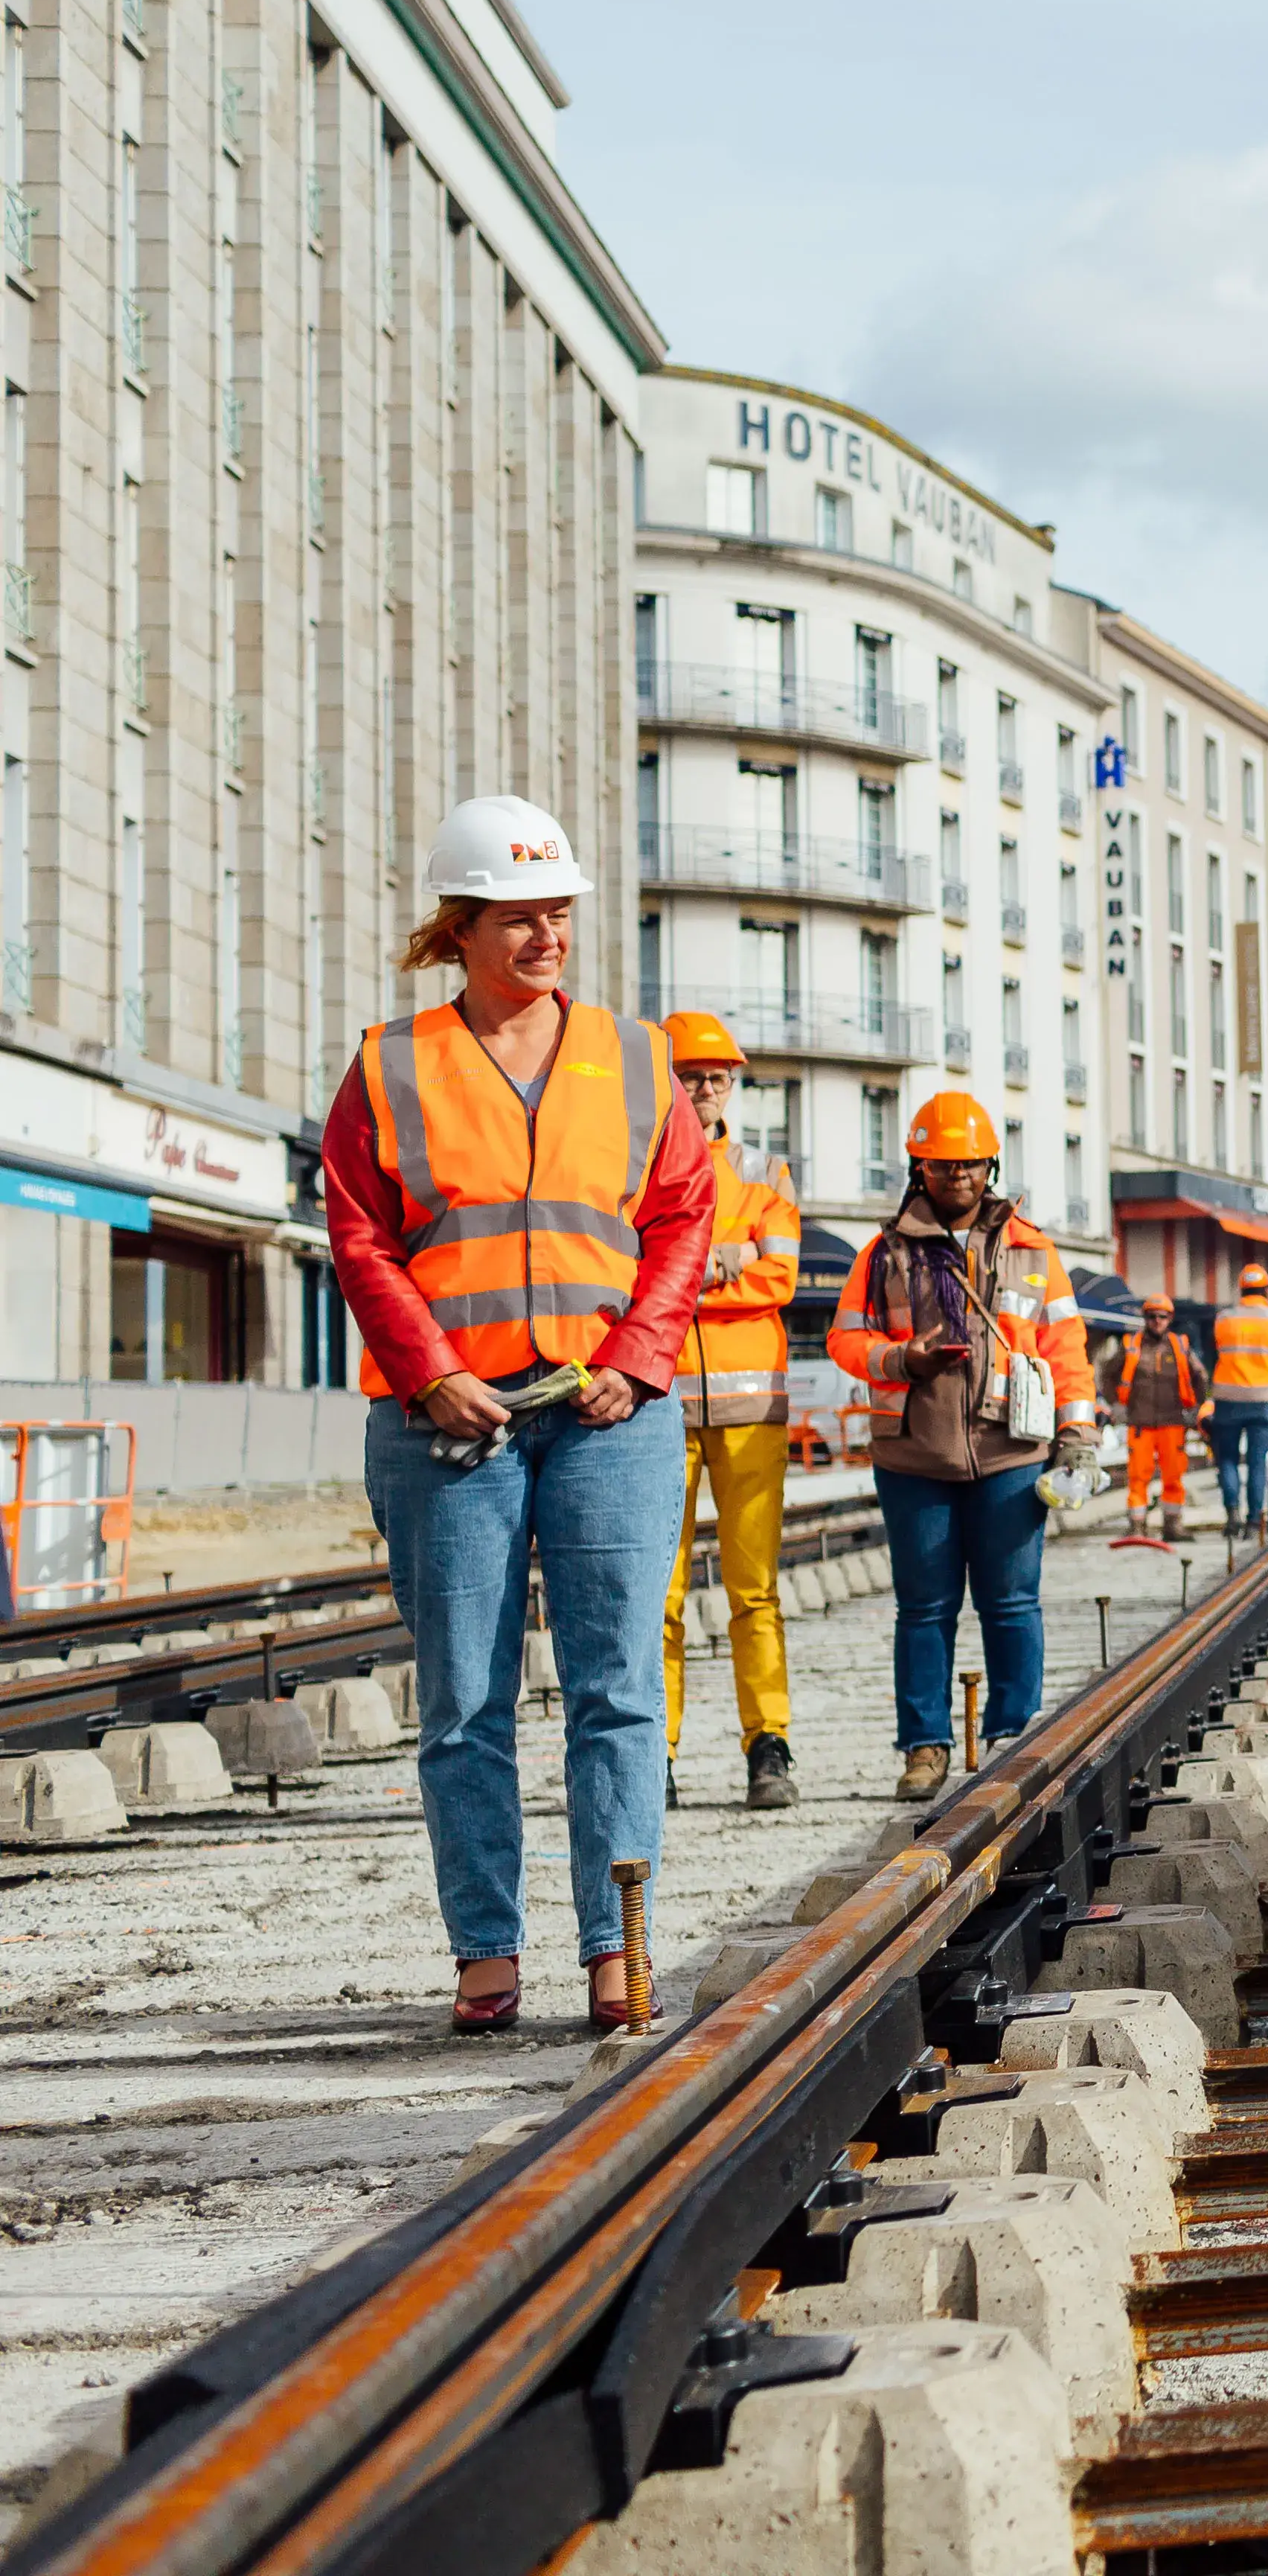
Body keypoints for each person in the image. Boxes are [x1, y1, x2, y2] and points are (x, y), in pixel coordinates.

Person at [324, 796, 714, 2034]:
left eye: (560, 912)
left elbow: (682, 1218)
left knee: (616, 1692)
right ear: (462, 927)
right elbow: (358, 1232)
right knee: (463, 1704)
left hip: (607, 1412)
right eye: (522, 916)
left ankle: (617, 1943)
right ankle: (486, 1948)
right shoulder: (394, 1062)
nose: (549, 935)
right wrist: (429, 1367)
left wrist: (642, 1357)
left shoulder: (638, 1057)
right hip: (453, 1423)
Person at [827, 1093, 1097, 1797]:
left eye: (970, 1165)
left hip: (1010, 1453)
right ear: (920, 1168)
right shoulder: (883, 1252)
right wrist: (902, 1360)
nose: (958, 1178)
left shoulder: (1034, 1249)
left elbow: (1066, 1346)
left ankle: (1016, 1733)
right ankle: (925, 1747)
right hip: (915, 1456)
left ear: (990, 1166)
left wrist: (1079, 1435)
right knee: (923, 1608)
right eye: (943, 1166)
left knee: (1012, 1603)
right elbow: (844, 1339)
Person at [653, 1011, 801, 1810]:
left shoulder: (766, 1173)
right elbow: (633, 1272)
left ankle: (768, 1745)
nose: (705, 1089)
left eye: (717, 1076)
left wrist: (688, 1273)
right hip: (658, 1409)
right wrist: (726, 1261)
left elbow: (780, 1276)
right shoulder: (634, 1170)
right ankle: (656, 1750)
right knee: (658, 1595)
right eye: (689, 1074)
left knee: (756, 1590)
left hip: (750, 1409)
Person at [1100, 1294, 1203, 1542]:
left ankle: (1173, 1526)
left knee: (1174, 1475)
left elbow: (1200, 1376)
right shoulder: (1130, 1345)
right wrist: (1116, 1404)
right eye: (1152, 1316)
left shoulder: (1180, 1346)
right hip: (1140, 1424)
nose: (1157, 1321)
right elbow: (1107, 1375)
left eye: (1162, 1316)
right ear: (1145, 1318)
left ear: (1170, 1319)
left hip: (1173, 1423)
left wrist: (1197, 1408)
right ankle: (1137, 1525)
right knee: (1138, 1476)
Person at [1206, 1262, 1268, 1533]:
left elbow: (1219, 1348)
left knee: (1228, 1460)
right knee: (1258, 1462)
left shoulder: (1224, 1319)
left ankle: (1232, 1514)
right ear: (1266, 1290)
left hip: (1229, 1397)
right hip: (1265, 1399)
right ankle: (1253, 1521)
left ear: (1242, 1289)